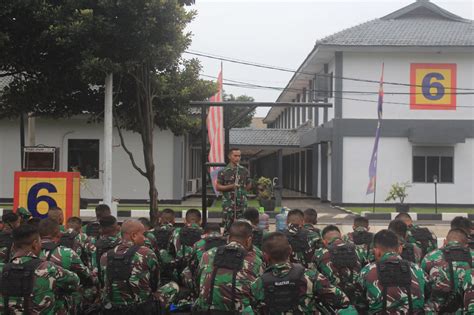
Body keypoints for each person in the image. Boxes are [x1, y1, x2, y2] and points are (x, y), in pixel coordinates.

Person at [249, 231, 350, 314]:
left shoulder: (258, 284)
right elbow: (343, 301)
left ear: (265, 256)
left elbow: (253, 309)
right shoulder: (311, 277)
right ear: (290, 250)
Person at [100, 219, 178, 313]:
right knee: (173, 286)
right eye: (143, 234)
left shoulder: (105, 256)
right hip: (141, 309)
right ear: (134, 235)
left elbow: (102, 282)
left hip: (112, 309)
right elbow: (155, 284)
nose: (145, 238)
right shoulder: (147, 253)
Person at [0, 224, 79, 314]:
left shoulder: (2, 269)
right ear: (35, 244)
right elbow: (75, 281)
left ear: (13, 246)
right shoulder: (48, 268)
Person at [193, 221, 263, 313]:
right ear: (249, 240)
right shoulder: (254, 261)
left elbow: (197, 281)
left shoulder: (208, 254)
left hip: (207, 311)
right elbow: (259, 295)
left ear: (228, 238)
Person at [357, 229, 430, 314]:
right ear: (399, 249)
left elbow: (359, 301)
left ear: (376, 251)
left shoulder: (367, 271)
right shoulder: (417, 270)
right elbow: (429, 294)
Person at [38, 218, 97, 313]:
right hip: (59, 306)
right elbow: (87, 276)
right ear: (59, 234)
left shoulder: (28, 252)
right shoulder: (67, 253)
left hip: (32, 306)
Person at [424, 229, 473, 313]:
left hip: (438, 310)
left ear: (445, 242)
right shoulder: (472, 256)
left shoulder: (430, 257)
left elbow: (423, 285)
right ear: (466, 245)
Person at [313, 225, 363, 305]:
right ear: (341, 238)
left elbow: (315, 276)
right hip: (357, 298)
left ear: (324, 242)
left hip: (333, 300)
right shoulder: (357, 250)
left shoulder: (319, 254)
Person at [216, 148, 251, 234]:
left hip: (242, 204)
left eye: (239, 156)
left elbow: (249, 185)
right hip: (229, 205)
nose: (237, 158)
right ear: (229, 156)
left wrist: (242, 190)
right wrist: (231, 187)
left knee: (242, 227)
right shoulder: (223, 171)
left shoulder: (244, 171)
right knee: (228, 228)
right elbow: (218, 187)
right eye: (235, 156)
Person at [146, 208, 177, 284]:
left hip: (154, 271)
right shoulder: (177, 233)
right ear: (174, 220)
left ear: (160, 219)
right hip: (171, 273)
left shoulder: (150, 233)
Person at [170, 208, 203, 276]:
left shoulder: (176, 232)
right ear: (200, 221)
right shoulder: (204, 233)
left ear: (185, 220)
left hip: (179, 270)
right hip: (197, 272)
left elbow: (171, 250)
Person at [94, 215, 122, 286]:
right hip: (116, 283)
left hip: (99, 282)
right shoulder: (121, 243)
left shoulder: (93, 242)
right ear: (113, 227)